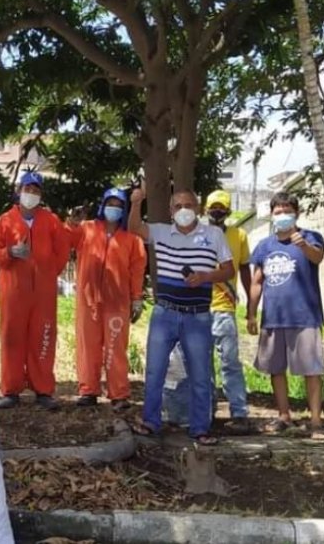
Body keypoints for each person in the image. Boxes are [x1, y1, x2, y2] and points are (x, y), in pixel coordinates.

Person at [128, 186, 235, 445]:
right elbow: (134, 228)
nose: (184, 210)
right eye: (178, 206)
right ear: (170, 211)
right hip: (165, 313)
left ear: (198, 208)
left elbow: (229, 269)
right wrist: (135, 203)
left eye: (189, 205)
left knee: (200, 374)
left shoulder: (213, 235)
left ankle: (200, 428)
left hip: (197, 317)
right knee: (154, 372)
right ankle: (151, 422)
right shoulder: (161, 231)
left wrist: (206, 277)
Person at [0, 171, 70, 411]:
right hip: (13, 291)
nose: (31, 194)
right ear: (19, 191)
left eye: (35, 190)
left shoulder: (51, 220)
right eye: (27, 189)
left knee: (43, 337)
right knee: (12, 337)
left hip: (43, 292)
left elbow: (62, 252)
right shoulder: (5, 221)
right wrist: (9, 253)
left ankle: (43, 389)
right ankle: (11, 390)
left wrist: (49, 274)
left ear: (40, 195)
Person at [247, 192, 324, 439]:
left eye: (287, 211)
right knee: (276, 369)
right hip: (273, 317)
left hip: (305, 317)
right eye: (278, 211)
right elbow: (257, 281)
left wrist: (302, 244)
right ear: (271, 215)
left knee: (311, 370)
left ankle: (316, 422)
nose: (282, 215)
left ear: (296, 213)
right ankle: (284, 416)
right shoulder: (264, 246)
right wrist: (251, 314)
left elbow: (318, 257)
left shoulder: (311, 237)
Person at [66, 187, 147, 412]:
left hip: (117, 302)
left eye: (119, 205)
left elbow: (137, 271)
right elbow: (66, 240)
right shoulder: (87, 229)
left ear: (124, 209)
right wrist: (71, 223)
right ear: (103, 206)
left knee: (115, 348)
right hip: (88, 300)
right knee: (87, 346)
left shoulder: (132, 240)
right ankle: (88, 390)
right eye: (110, 204)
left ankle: (119, 394)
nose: (114, 208)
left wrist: (137, 298)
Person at [203, 189, 253, 430]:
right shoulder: (196, 235)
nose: (217, 212)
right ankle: (206, 412)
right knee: (203, 364)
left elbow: (245, 269)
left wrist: (251, 306)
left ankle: (239, 412)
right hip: (200, 308)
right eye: (213, 208)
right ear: (206, 210)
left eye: (221, 208)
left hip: (225, 309)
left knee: (230, 362)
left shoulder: (239, 235)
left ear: (228, 210)